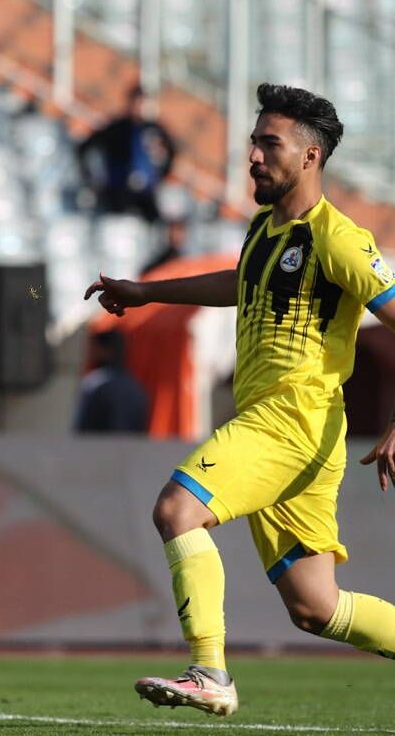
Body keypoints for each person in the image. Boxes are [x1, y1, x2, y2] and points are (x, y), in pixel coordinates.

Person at [87, 84, 395, 717]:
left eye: (268, 143)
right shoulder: (265, 228)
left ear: (310, 157)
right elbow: (241, 281)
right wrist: (148, 294)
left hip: (292, 420)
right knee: (317, 608)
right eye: (254, 142)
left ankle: (210, 672)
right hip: (285, 425)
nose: (252, 155)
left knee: (178, 509)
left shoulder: (339, 240)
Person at [77, 84, 175, 223]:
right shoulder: (116, 128)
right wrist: (91, 177)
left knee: (154, 223)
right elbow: (87, 147)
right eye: (135, 101)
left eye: (141, 102)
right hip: (117, 190)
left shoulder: (153, 131)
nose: (138, 106)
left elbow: (169, 154)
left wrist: (160, 176)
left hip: (145, 192)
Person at [73, 330, 149, 434]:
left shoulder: (93, 384)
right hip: (131, 448)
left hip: (97, 448)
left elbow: (80, 431)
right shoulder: (136, 388)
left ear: (103, 349)